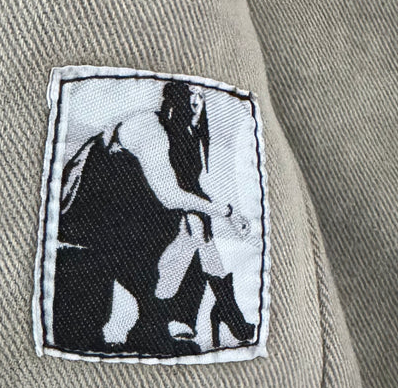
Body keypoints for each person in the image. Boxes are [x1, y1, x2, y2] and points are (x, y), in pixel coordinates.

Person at [51, 80, 256, 356]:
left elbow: (190, 194)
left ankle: (216, 313)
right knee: (189, 228)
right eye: (189, 95)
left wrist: (210, 218)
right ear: (173, 99)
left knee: (195, 227)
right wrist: (227, 212)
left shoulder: (183, 137)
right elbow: (170, 195)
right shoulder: (149, 128)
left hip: (126, 222)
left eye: (199, 96)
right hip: (90, 222)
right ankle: (220, 314)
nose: (196, 102)